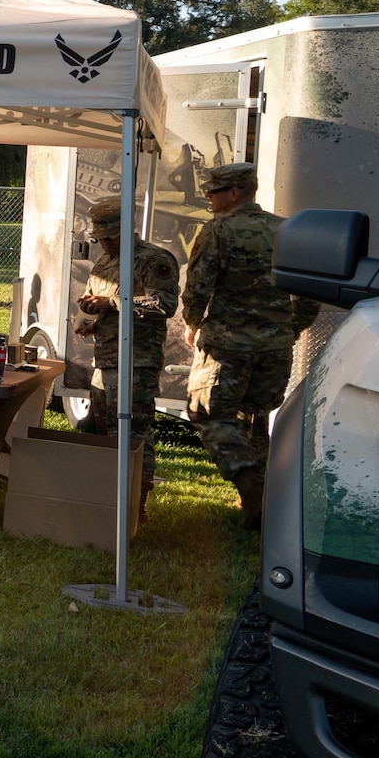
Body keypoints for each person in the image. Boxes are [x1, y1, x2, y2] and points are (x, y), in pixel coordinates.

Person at [180, 161, 318, 529]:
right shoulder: (288, 231)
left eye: (213, 191)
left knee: (207, 412)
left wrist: (193, 325)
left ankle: (250, 488)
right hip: (275, 347)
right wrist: (289, 330)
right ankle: (260, 510)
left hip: (227, 346)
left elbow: (197, 289)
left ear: (234, 193)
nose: (209, 197)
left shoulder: (218, 231)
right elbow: (309, 293)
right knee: (255, 419)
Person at [73, 196, 178, 515]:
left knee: (134, 436)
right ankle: (110, 502)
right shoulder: (103, 264)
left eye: (109, 236)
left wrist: (114, 304)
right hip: (103, 364)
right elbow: (102, 304)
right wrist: (91, 318)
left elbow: (165, 305)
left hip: (136, 365)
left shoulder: (153, 260)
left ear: (124, 231)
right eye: (99, 237)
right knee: (106, 436)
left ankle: (137, 506)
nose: (103, 243)